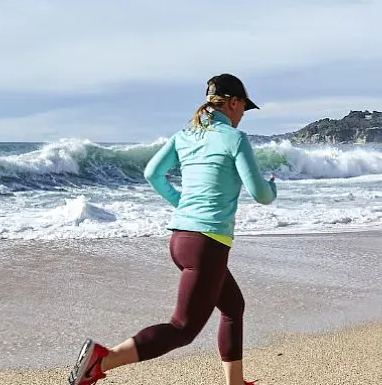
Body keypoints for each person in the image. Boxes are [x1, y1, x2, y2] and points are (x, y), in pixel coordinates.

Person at [69, 73, 277, 385]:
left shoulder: (185, 135)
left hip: (182, 240)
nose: (242, 118)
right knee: (182, 328)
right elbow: (260, 194)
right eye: (243, 110)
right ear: (233, 103)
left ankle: (235, 382)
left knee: (233, 307)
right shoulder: (235, 139)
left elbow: (153, 173)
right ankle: (103, 359)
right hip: (207, 244)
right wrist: (272, 188)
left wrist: (182, 203)